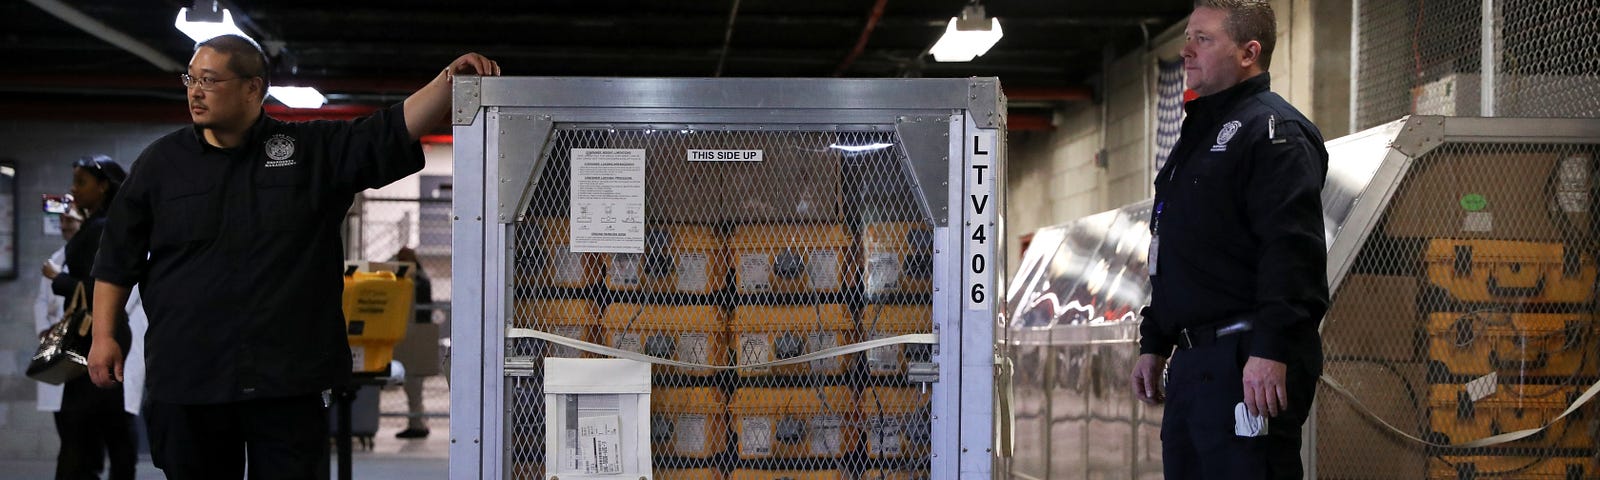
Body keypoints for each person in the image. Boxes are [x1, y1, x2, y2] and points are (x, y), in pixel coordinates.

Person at [86, 33, 500, 479]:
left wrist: (445, 81)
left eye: (209, 79)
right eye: (190, 78)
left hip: (287, 379)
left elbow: (388, 130)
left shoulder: (308, 152)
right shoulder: (160, 164)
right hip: (190, 375)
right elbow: (117, 257)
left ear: (252, 87)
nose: (195, 91)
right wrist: (103, 335)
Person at [1128, 1, 1330, 479]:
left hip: (1247, 361)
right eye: (1188, 37)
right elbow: (1179, 252)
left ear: (1248, 52)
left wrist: (1271, 350)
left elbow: (1291, 251)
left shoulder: (1275, 132)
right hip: (1195, 361)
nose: (1186, 51)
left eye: (1203, 38)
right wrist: (1154, 341)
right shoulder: (1199, 135)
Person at [41, 157, 142, 480]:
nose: (73, 189)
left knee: (90, 427)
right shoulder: (99, 224)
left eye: (81, 182)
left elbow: (106, 285)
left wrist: (59, 280)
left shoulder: (103, 228)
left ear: (103, 187)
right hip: (96, 332)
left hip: (97, 334)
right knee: (99, 427)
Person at [391, 246, 436, 439]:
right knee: (414, 385)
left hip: (413, 335)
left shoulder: (411, 281)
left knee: (413, 384)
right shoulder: (421, 278)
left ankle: (417, 423)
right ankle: (417, 421)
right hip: (419, 335)